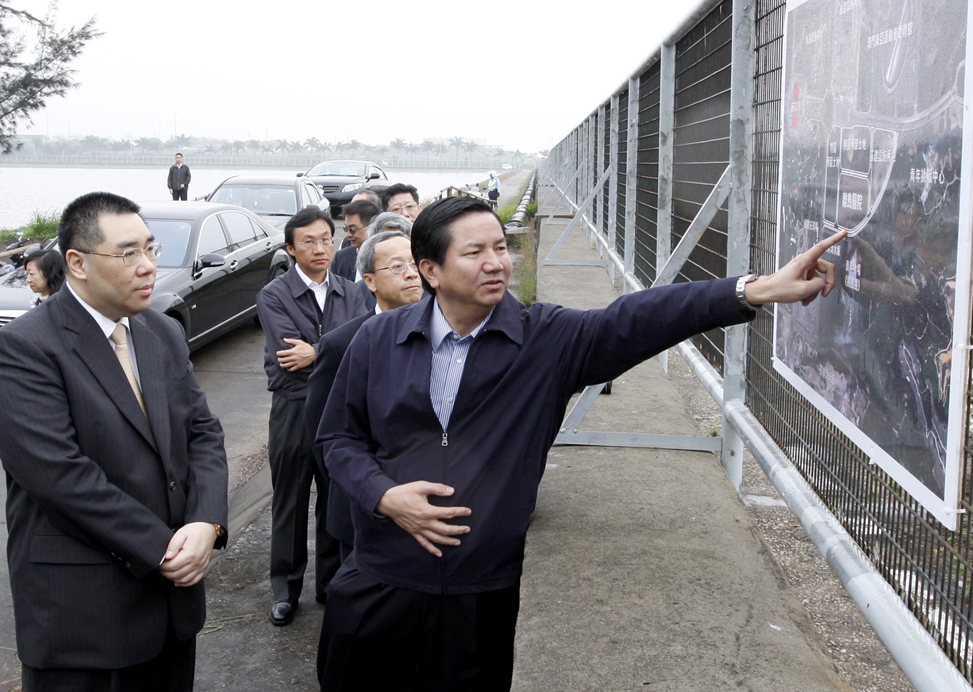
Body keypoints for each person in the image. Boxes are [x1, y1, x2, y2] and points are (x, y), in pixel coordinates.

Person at [315, 196, 847, 690]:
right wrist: (385, 497)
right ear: (430, 270)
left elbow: (640, 318)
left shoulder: (543, 339)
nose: (497, 262)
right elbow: (338, 438)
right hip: (378, 579)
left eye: (501, 247)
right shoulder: (378, 339)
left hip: (477, 597)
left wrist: (749, 290)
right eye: (474, 252)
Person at [0, 191, 229, 692]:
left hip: (174, 613)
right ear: (77, 263)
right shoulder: (23, 348)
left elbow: (202, 432)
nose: (148, 266)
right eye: (128, 253)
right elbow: (61, 478)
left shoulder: (160, 331)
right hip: (85, 619)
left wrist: (207, 520)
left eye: (151, 249)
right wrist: (165, 550)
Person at [256, 205, 367, 625]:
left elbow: (358, 347)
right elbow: (289, 355)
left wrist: (317, 352)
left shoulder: (351, 290)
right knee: (290, 498)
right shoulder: (274, 294)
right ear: (291, 248)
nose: (320, 248)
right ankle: (285, 590)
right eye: (308, 241)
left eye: (326, 239)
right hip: (293, 407)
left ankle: (329, 584)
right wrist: (329, 352)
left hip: (336, 408)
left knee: (333, 497)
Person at [305, 231, 424, 566]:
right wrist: (359, 486)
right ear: (369, 281)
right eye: (398, 267)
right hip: (361, 510)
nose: (411, 273)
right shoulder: (341, 344)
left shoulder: (447, 332)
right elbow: (324, 434)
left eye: (415, 264)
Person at [331, 200, 381, 281]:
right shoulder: (341, 258)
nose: (349, 234)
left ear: (371, 226)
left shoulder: (388, 257)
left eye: (353, 229)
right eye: (346, 229)